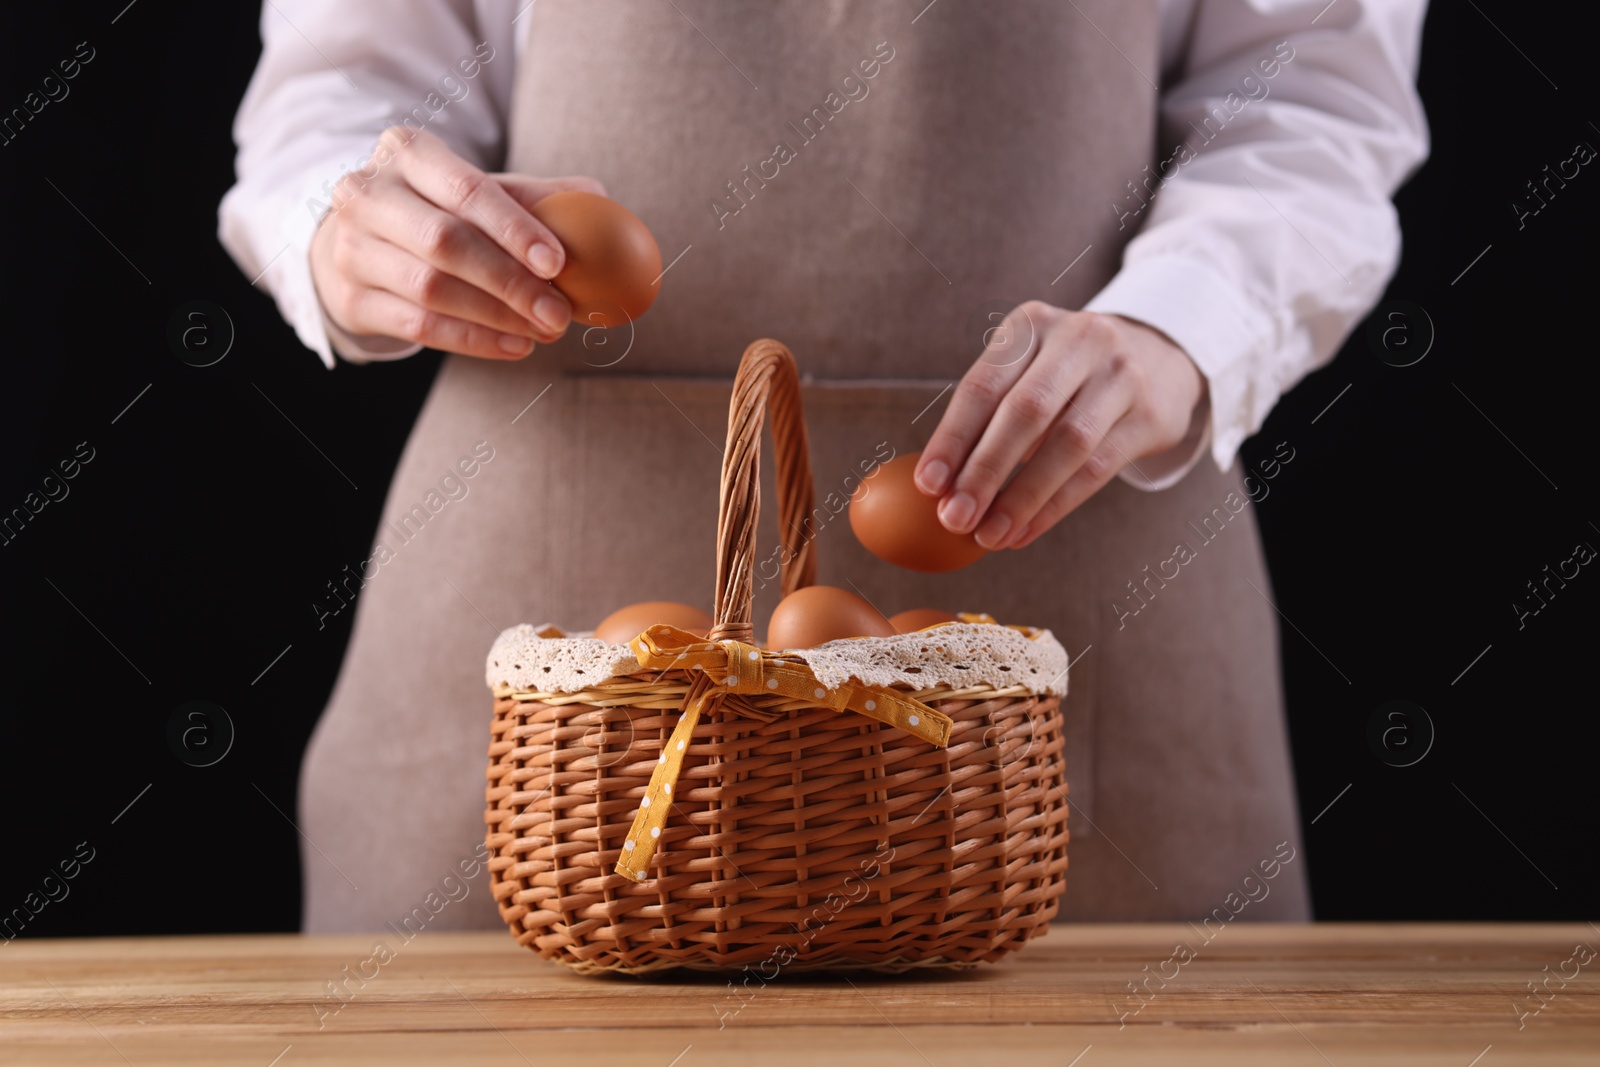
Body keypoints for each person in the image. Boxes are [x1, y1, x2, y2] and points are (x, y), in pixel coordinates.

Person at [221, 0, 1428, 932]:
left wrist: (1180, 327)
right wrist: (353, 223)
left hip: (1084, 563)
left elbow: (1313, 97)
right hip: (545, 625)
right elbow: (344, 94)